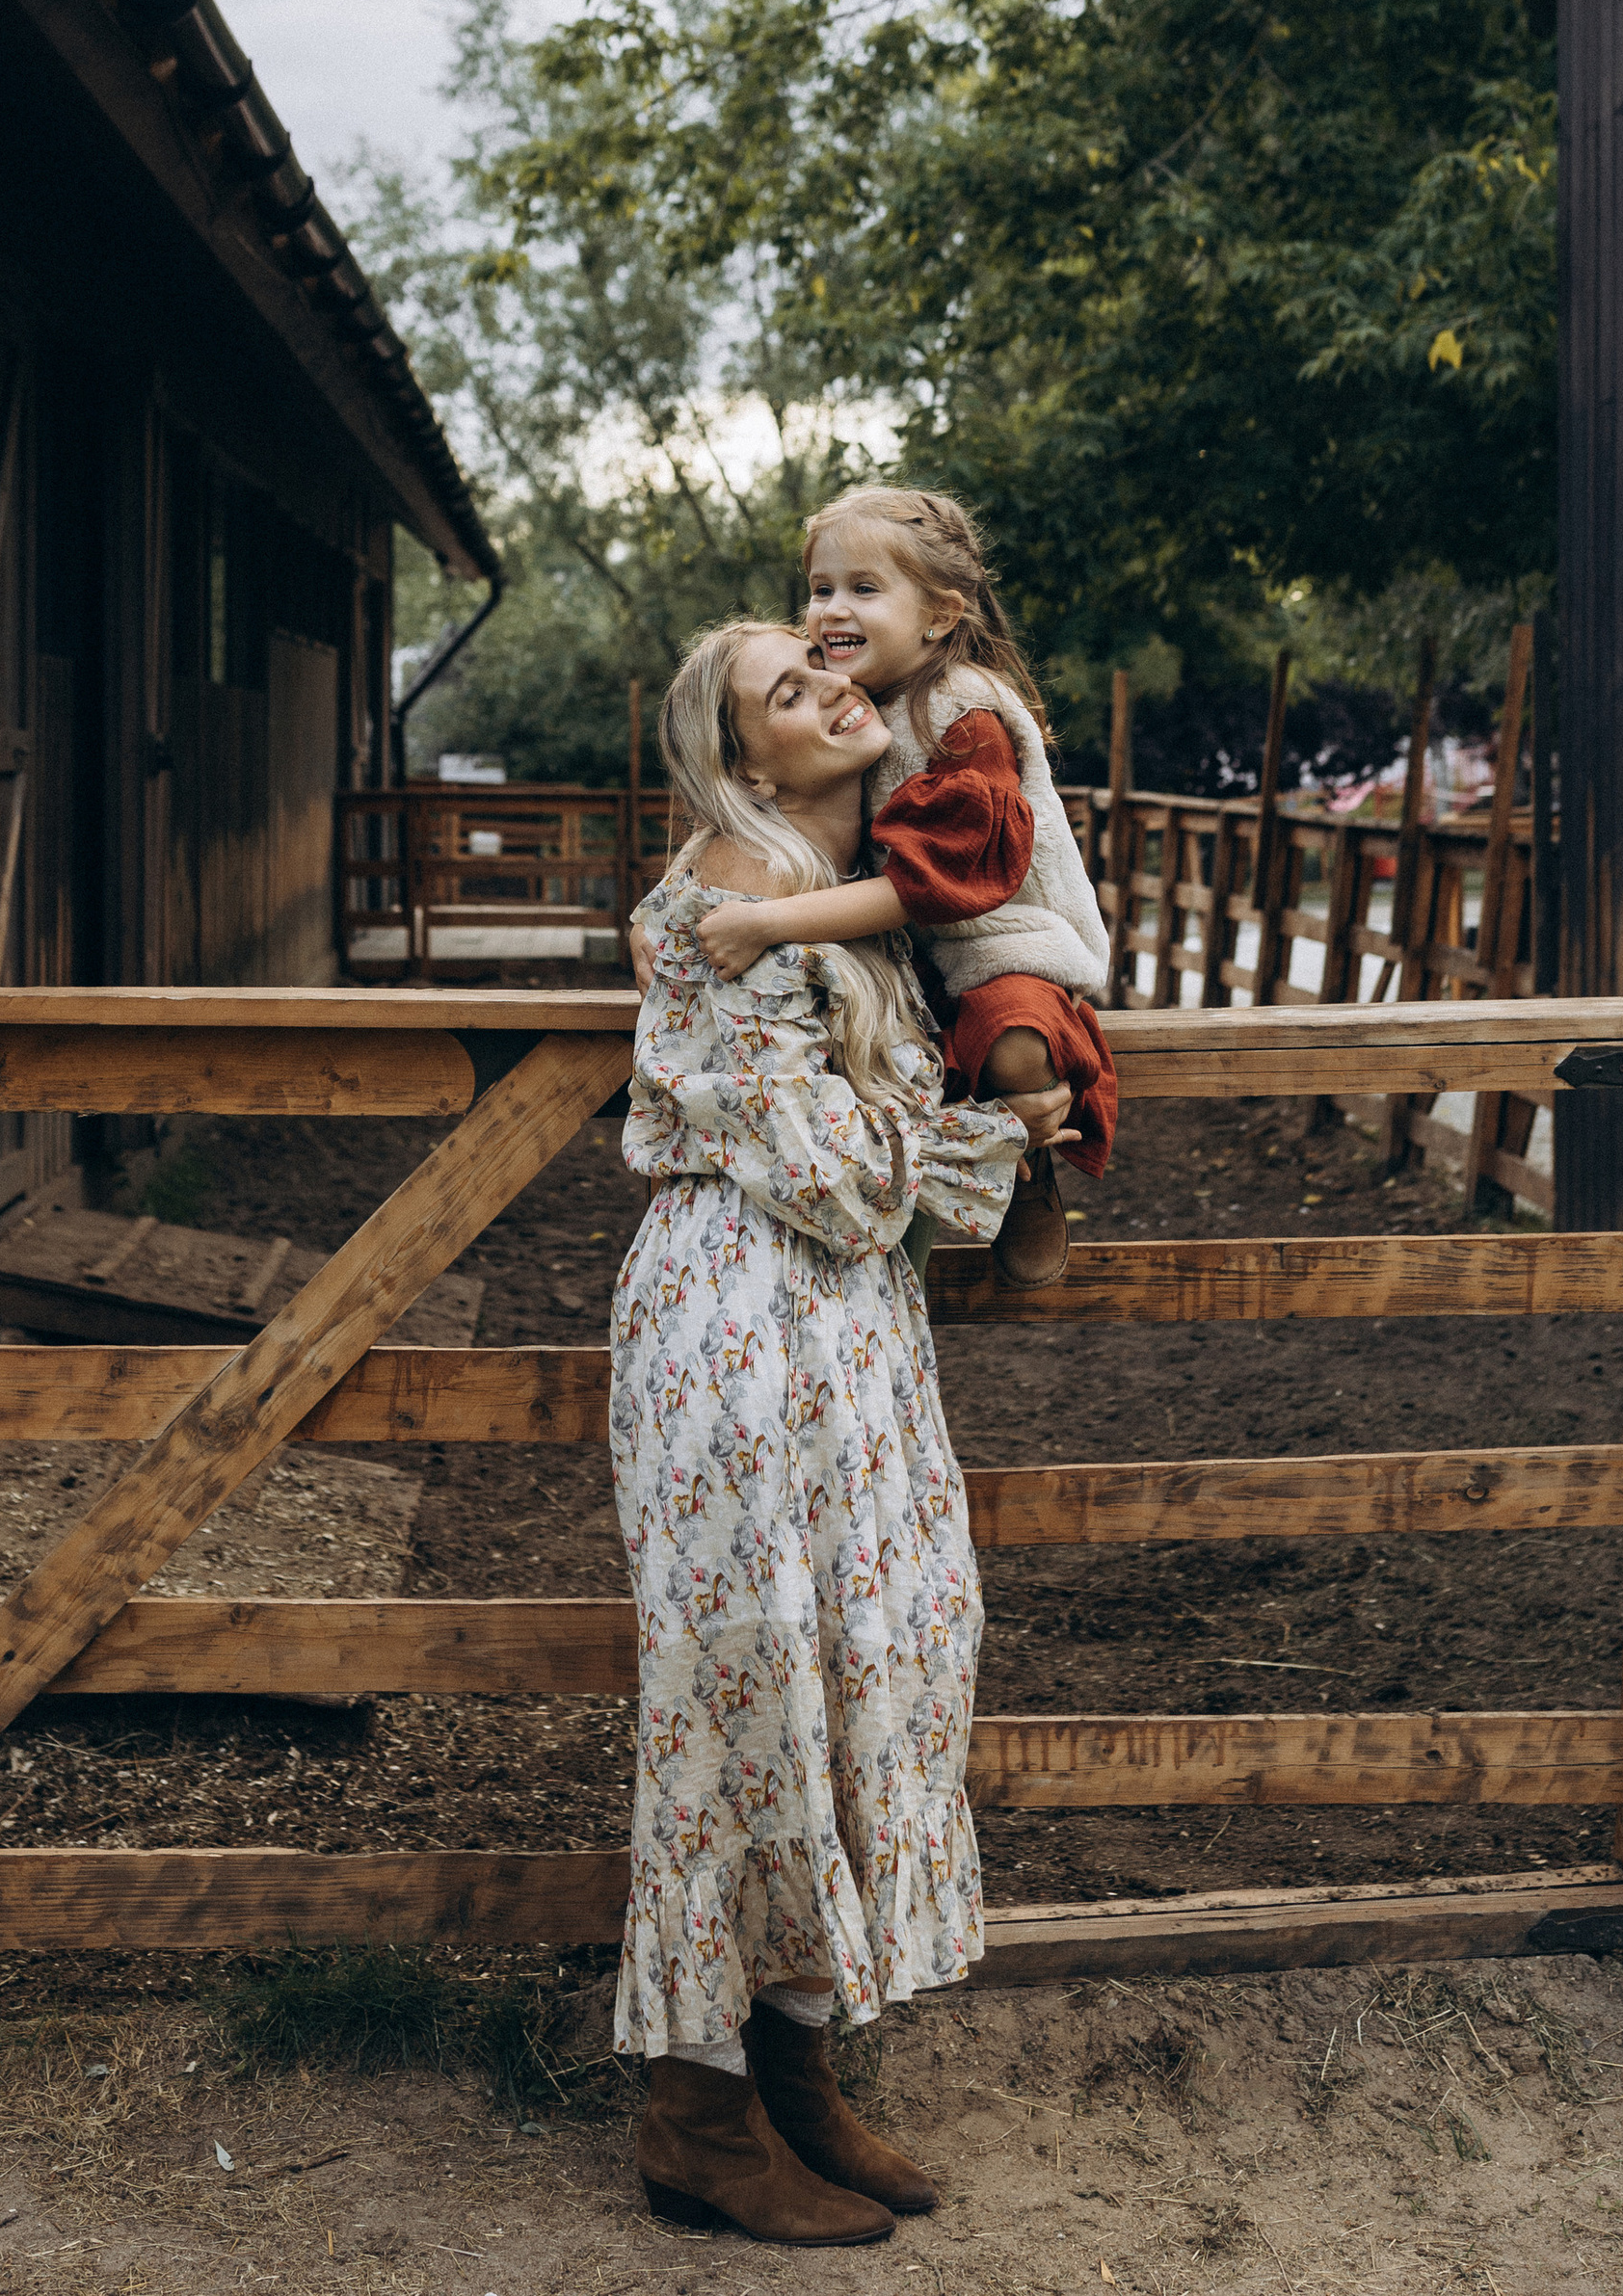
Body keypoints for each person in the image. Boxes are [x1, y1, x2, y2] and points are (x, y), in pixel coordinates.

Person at [614, 618, 1075, 2245]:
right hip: (739, 1326)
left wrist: (986, 1122)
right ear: (744, 753)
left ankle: (799, 2080)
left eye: (829, 667)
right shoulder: (715, 902)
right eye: (785, 688)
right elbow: (819, 1159)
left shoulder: (852, 883)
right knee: (750, 1691)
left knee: (868, 1660)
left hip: (847, 1325)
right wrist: (978, 1152)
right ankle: (697, 2116)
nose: (832, 688)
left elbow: (867, 1141)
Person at [695, 484, 1118, 1287]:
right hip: (911, 959)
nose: (828, 611)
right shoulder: (856, 702)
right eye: (821, 589)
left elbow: (933, 884)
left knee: (1014, 1035)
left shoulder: (965, 717)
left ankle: (1031, 1172)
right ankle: (888, 1264)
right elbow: (746, 804)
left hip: (1001, 943)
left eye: (862, 589)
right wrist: (664, 920)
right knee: (876, 1072)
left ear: (940, 616)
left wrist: (770, 922)